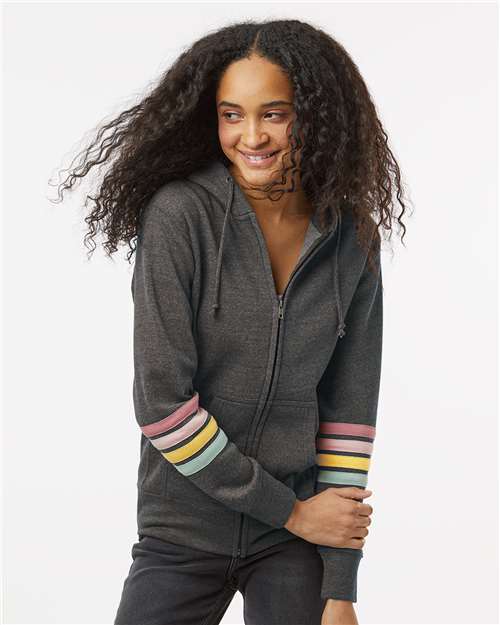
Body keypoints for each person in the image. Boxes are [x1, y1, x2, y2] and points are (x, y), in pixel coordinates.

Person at [54, 18, 408, 625]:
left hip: (292, 546)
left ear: (316, 115)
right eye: (231, 115)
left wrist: (340, 585)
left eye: (275, 114)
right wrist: (292, 510)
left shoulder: (353, 240)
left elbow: (349, 418)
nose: (252, 136)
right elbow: (163, 407)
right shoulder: (180, 217)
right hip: (184, 528)